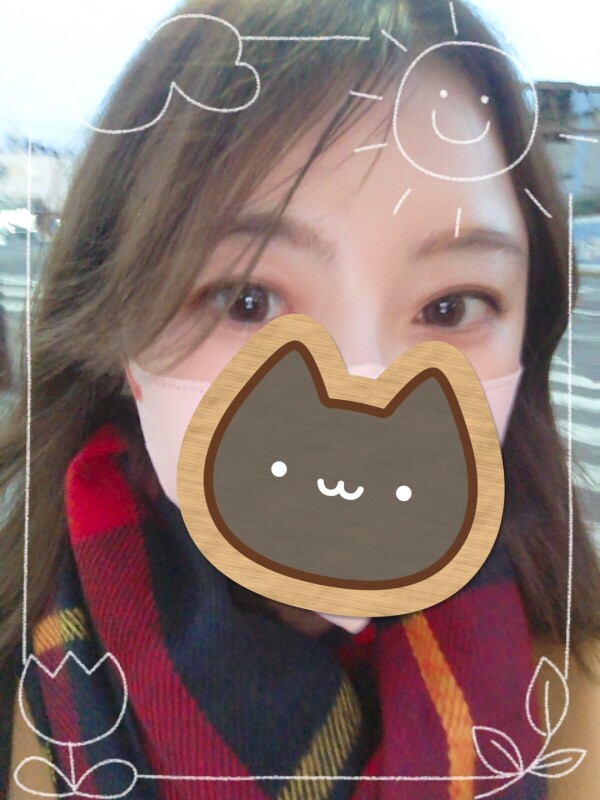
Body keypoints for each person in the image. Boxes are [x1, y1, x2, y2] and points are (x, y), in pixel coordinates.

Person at [1, 0, 599, 798]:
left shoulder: (575, 695)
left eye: (450, 307)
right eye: (247, 299)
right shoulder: (28, 680)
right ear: (120, 335)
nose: (361, 384)